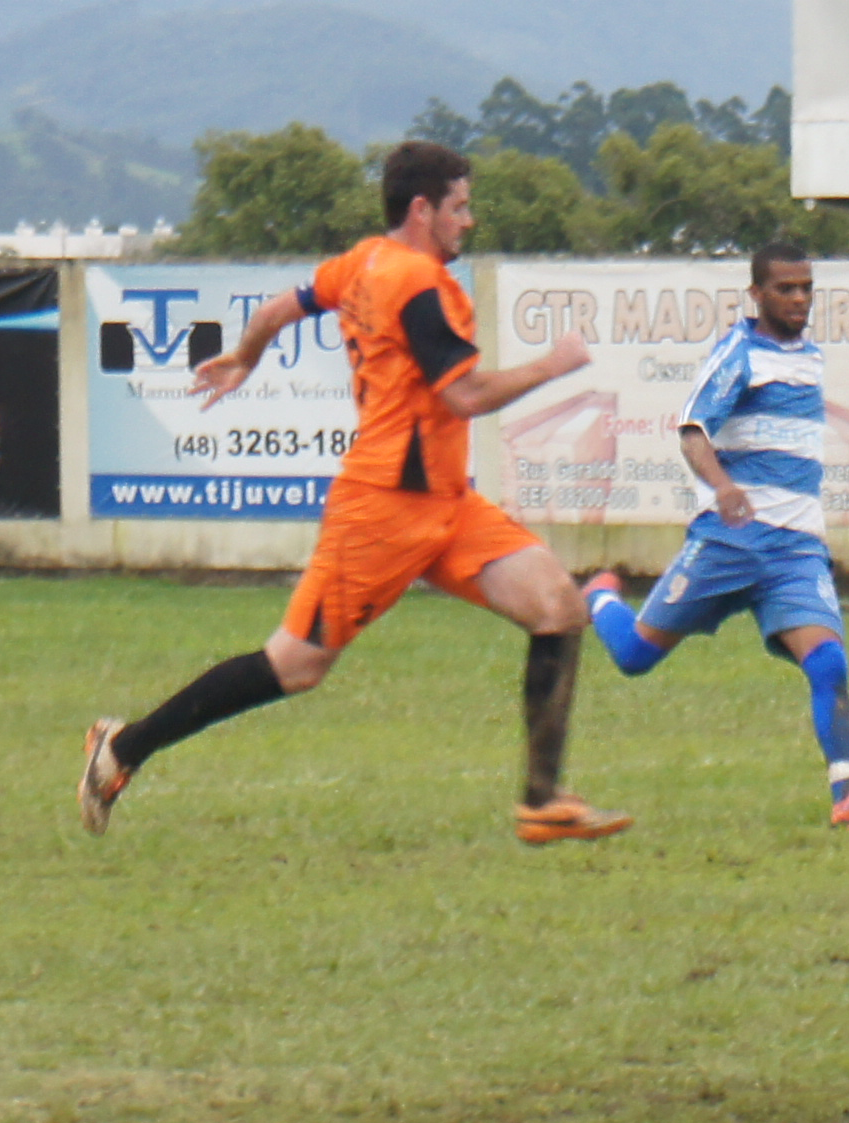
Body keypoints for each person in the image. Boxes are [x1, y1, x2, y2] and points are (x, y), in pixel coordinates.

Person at [78, 142, 627, 844]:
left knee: (557, 606)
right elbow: (465, 394)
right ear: (422, 209)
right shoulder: (419, 284)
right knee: (294, 665)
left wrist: (244, 357)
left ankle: (542, 800)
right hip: (383, 510)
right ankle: (122, 749)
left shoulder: (363, 263)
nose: (470, 220)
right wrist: (554, 363)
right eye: (460, 206)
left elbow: (280, 307)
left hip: (447, 504)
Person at [582, 242, 849, 828]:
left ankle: (848, 795)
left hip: (795, 551)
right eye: (785, 288)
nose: (798, 298)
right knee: (635, 656)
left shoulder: (810, 357)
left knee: (829, 663)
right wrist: (724, 488)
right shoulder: (739, 354)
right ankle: (599, 597)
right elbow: (691, 432)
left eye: (806, 288)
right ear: (757, 294)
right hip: (730, 543)